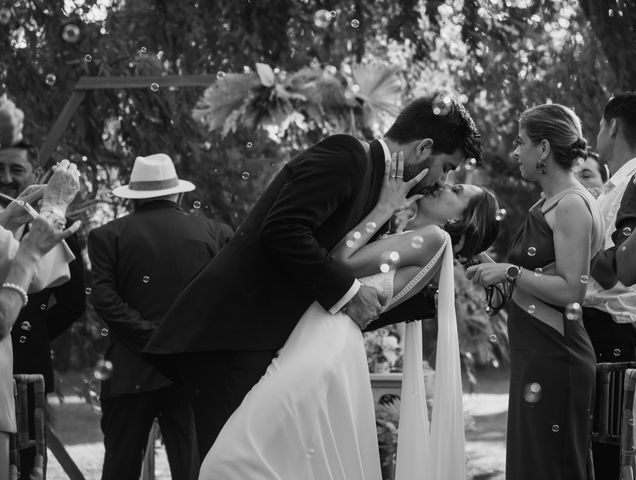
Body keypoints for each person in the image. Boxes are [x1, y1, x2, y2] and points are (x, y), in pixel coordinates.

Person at [143, 92, 484, 460]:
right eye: (447, 167)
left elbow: (340, 278)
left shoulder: (383, 193)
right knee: (231, 465)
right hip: (231, 336)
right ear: (425, 148)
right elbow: (283, 229)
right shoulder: (347, 156)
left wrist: (431, 296)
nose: (442, 180)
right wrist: (351, 294)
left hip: (265, 340)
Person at [199, 151, 500, 479]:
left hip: (325, 342)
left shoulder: (433, 238)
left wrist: (385, 206)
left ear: (459, 221)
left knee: (232, 459)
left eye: (457, 193)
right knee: (285, 460)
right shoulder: (425, 243)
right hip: (321, 337)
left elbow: (340, 263)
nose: (445, 185)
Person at [466, 104, 604, 480]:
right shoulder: (547, 204)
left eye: (520, 142)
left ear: (543, 148)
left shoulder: (572, 205)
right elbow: (533, 279)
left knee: (552, 468)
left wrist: (508, 270)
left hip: (558, 357)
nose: (514, 152)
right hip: (536, 355)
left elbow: (569, 292)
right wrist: (477, 259)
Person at [87, 153, 233, 480]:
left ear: (135, 196)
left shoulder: (107, 236)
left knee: (120, 469)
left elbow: (105, 299)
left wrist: (150, 336)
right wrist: (180, 340)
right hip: (192, 372)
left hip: (129, 370)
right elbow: (227, 300)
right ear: (178, 193)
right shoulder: (216, 233)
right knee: (195, 470)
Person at [0, 140, 86, 473]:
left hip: (28, 362)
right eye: (0, 169)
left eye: (16, 169)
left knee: (30, 462)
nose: (6, 178)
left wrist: (34, 332)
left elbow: (72, 301)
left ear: (35, 174)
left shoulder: (59, 232)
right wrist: (54, 208)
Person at [578, 92, 636, 478]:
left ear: (613, 126)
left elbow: (615, 269)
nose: (597, 133)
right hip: (599, 326)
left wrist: (575, 252)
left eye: (599, 126)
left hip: (613, 328)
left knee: (610, 452)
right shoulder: (614, 185)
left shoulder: (631, 182)